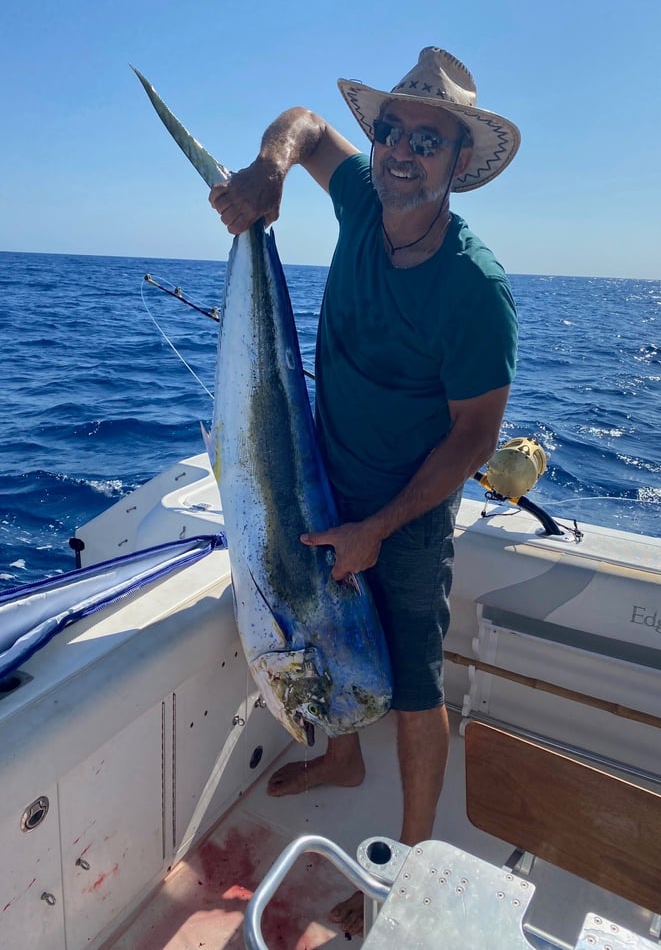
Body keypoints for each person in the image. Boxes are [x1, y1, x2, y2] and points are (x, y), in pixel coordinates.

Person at [209, 46, 520, 935]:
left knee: (416, 688)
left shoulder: (475, 287)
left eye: (430, 141)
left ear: (462, 163)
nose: (403, 152)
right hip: (316, 471)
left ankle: (409, 873)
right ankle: (342, 757)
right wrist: (269, 172)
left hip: (409, 511)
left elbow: (475, 437)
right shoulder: (358, 197)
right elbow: (304, 127)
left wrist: (381, 526)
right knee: (319, 629)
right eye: (392, 132)